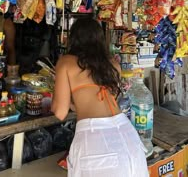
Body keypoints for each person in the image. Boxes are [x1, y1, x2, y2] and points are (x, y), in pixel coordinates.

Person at [51, 18, 149, 177]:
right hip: (129, 138)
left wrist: (61, 96)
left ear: (73, 39)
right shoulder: (113, 65)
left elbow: (60, 112)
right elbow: (101, 102)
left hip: (96, 138)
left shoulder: (66, 62)